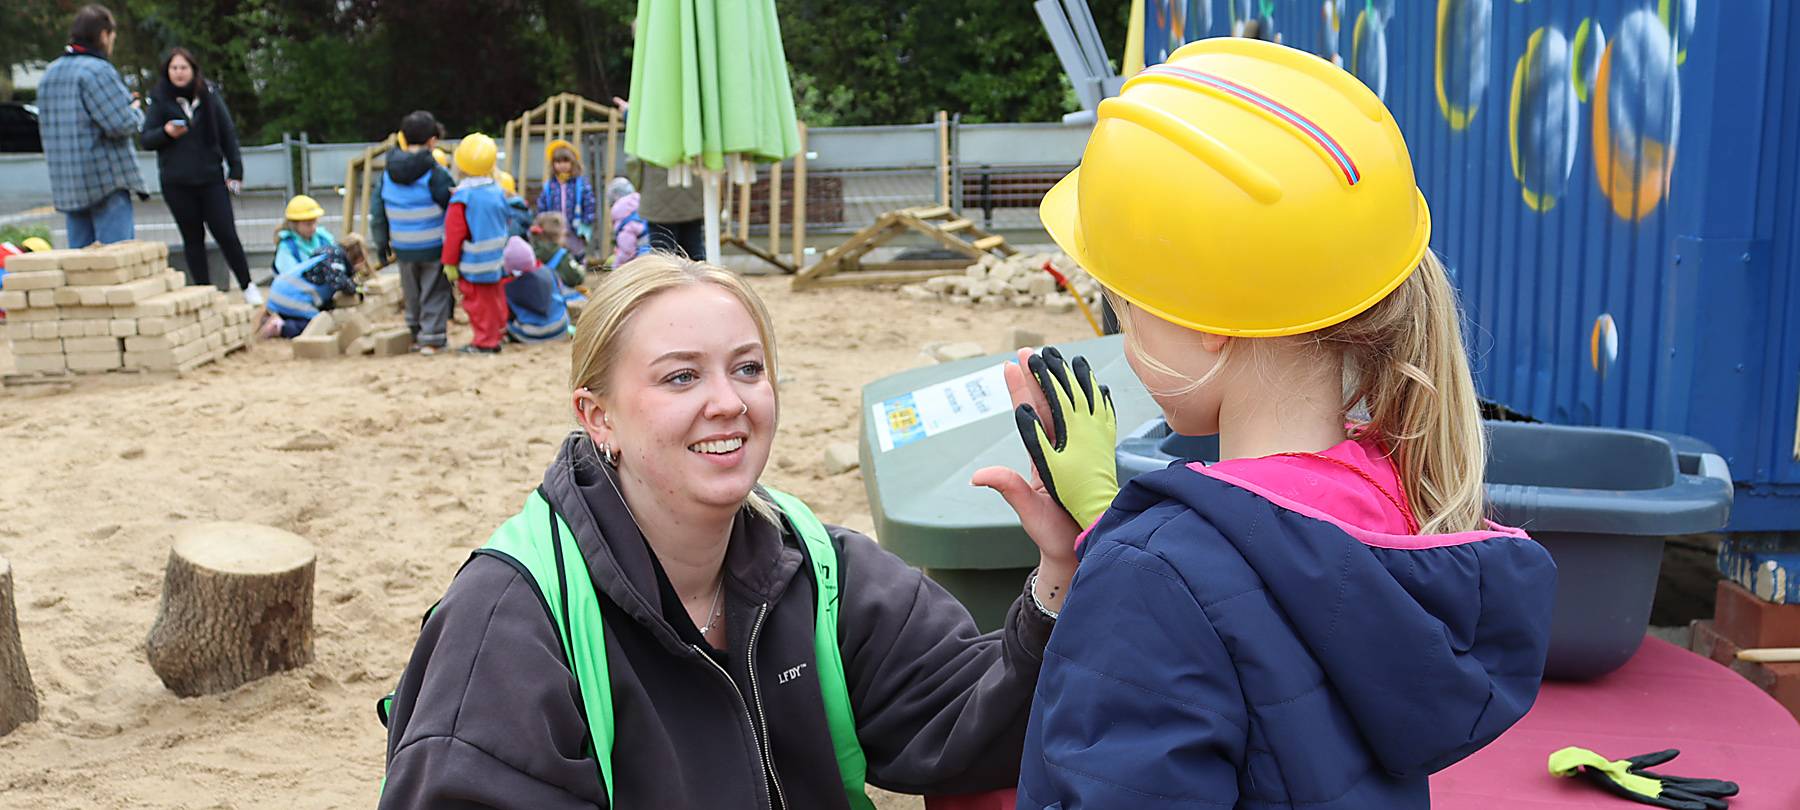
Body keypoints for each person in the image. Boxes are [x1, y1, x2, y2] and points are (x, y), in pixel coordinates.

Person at [991, 39, 1558, 808]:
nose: (1124, 333)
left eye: (1125, 304)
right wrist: (1105, 532)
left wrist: (1128, 565)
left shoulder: (1152, 576)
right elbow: (1266, 615)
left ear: (1208, 321)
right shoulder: (1397, 506)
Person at [379, 254, 1075, 808]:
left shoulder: (813, 568)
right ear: (599, 417)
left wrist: (1056, 577)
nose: (728, 402)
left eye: (748, 369)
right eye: (681, 378)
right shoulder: (509, 625)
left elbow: (965, 722)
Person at [139, 47, 257, 303]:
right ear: (167, 72)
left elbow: (227, 134)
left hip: (212, 179)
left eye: (184, 68)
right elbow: (146, 139)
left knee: (226, 233)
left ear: (193, 70)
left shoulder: (209, 95)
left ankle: (248, 287)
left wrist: (236, 170)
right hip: (177, 182)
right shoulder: (159, 99)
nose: (179, 73)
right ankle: (205, 293)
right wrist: (166, 132)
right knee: (192, 238)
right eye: (174, 68)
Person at [39, 4, 144, 248]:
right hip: (105, 182)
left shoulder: (49, 73)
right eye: (112, 37)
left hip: (68, 183)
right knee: (116, 263)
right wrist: (135, 111)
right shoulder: (97, 70)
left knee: (81, 269)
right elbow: (120, 123)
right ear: (103, 35)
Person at [370, 110, 455, 355]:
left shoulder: (387, 173)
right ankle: (432, 338)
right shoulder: (434, 172)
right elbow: (451, 205)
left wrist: (381, 242)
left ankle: (415, 334)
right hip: (432, 243)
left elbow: (377, 211)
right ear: (432, 141)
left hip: (403, 245)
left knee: (412, 291)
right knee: (434, 290)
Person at [441, 133, 511, 355]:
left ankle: (485, 342)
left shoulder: (462, 198)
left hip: (473, 263)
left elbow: (455, 233)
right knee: (496, 299)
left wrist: (449, 262)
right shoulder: (497, 191)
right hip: (497, 259)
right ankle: (498, 334)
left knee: (477, 304)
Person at [261, 233, 369, 339]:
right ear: (358, 259)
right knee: (318, 324)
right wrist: (357, 289)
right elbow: (340, 282)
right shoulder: (336, 260)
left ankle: (273, 319)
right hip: (288, 296)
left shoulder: (327, 252)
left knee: (305, 313)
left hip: (279, 291)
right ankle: (280, 327)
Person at [534, 139, 598, 261]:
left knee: (577, 256)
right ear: (553, 164)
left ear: (573, 162)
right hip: (554, 231)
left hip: (576, 229)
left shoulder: (580, 184)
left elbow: (589, 203)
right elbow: (542, 206)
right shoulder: (549, 186)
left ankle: (577, 275)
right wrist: (542, 224)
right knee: (556, 257)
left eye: (565, 161)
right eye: (558, 162)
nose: (562, 165)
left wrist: (586, 223)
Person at [499, 235, 570, 343]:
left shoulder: (507, 286)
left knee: (506, 325)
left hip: (533, 334)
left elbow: (505, 314)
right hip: (561, 326)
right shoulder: (549, 272)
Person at [630, 161, 705, 260]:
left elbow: (632, 161)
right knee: (693, 249)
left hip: (656, 194)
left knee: (663, 255)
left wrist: (638, 185)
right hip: (693, 191)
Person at [273, 195, 335, 276]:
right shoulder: (287, 246)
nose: (313, 227)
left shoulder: (324, 239)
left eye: (315, 222)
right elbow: (290, 276)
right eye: (308, 224)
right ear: (294, 224)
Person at [531, 212, 585, 289]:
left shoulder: (530, 252)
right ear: (560, 234)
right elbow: (577, 278)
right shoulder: (562, 255)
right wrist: (581, 269)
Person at [607, 176, 649, 269]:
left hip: (643, 262)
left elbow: (627, 251)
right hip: (657, 255)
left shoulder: (625, 223)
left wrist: (616, 266)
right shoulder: (642, 210)